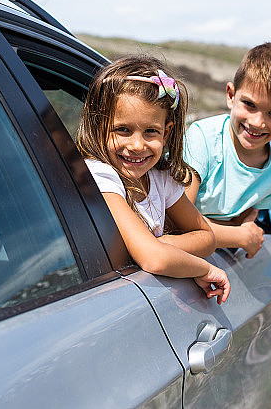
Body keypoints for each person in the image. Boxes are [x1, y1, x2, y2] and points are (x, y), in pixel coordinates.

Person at [77, 55, 230, 304]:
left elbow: (207, 237)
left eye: (151, 131)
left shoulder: (160, 178)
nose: (137, 145)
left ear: (166, 132)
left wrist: (165, 243)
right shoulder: (100, 176)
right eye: (122, 130)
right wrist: (204, 269)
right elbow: (154, 258)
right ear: (98, 126)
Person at [184, 42, 271, 258]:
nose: (257, 122)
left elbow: (242, 221)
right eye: (250, 105)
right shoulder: (202, 138)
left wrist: (227, 230)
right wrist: (239, 238)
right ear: (231, 95)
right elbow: (176, 220)